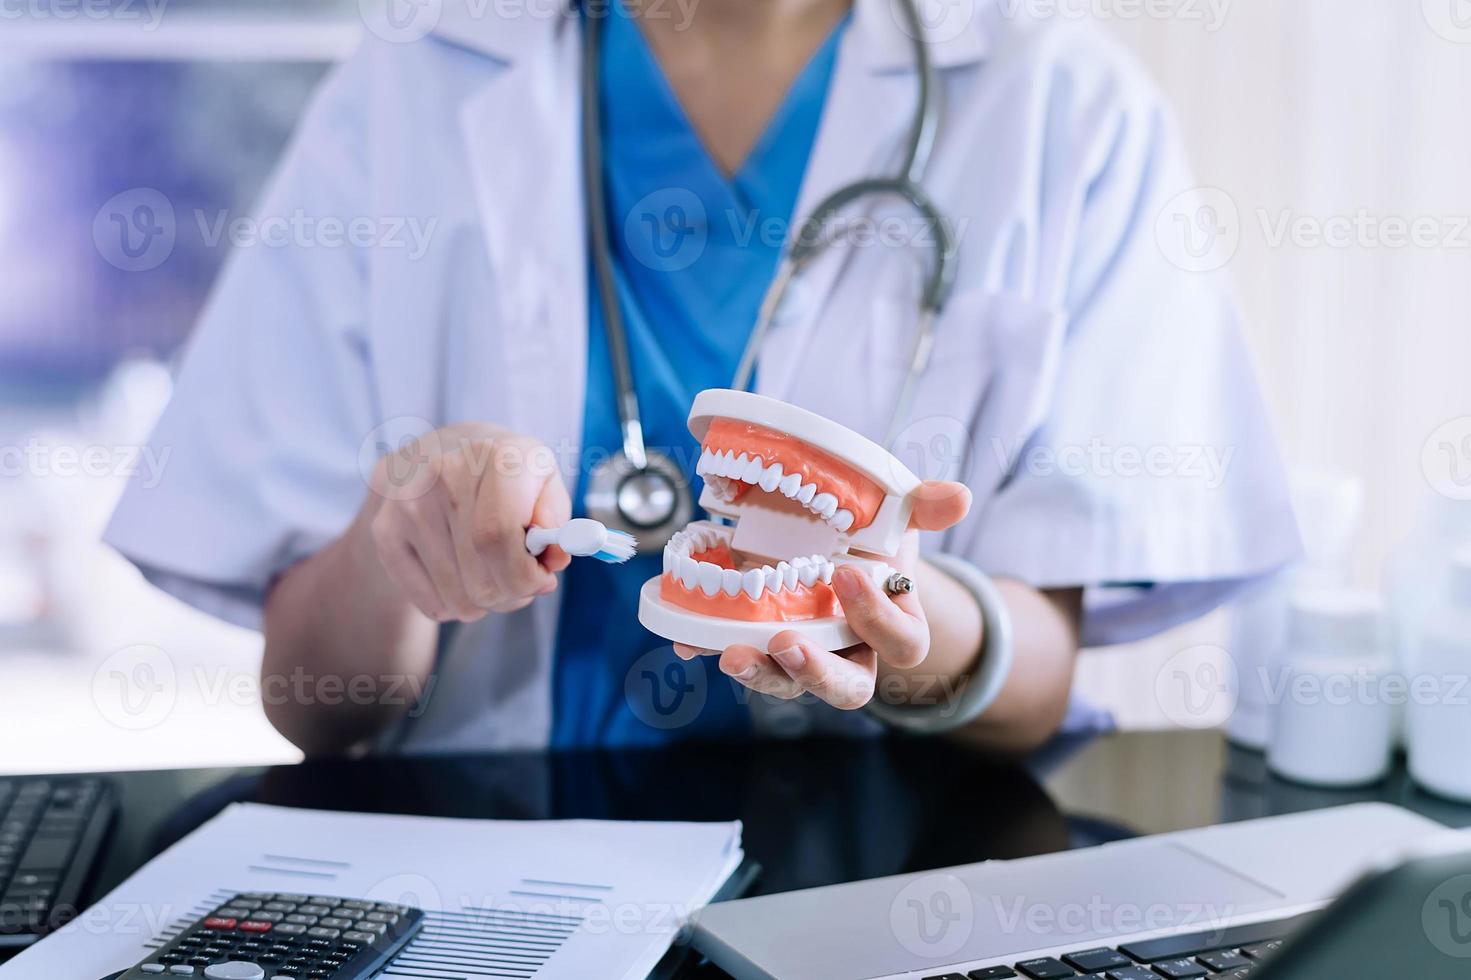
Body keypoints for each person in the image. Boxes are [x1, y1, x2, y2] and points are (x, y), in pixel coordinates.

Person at [104, 0, 1298, 755]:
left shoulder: (1061, 99)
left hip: (885, 884)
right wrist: (394, 541)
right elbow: (316, 702)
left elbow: (1033, 682)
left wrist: (901, 618)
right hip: (492, 873)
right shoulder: (421, 68)